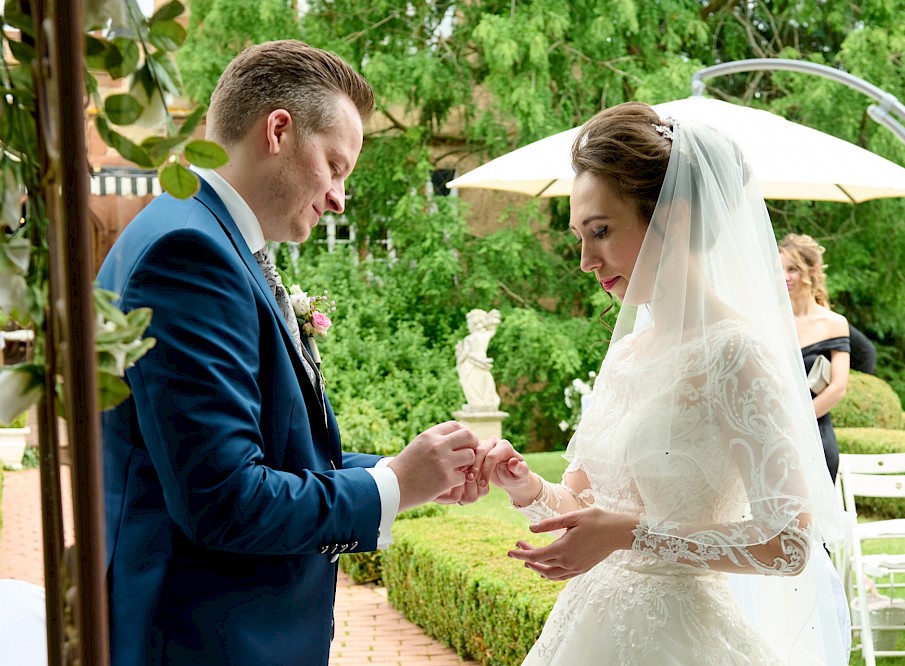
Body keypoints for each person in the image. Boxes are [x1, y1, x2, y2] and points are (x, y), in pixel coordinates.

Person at [96, 40, 482, 666]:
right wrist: (390, 486)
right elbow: (225, 499)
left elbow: (271, 448)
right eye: (335, 166)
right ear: (278, 130)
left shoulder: (203, 236)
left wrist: (416, 472)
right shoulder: (189, 257)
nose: (338, 198)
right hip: (200, 640)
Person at [476, 102, 848, 664]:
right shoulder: (627, 352)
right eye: (580, 235)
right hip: (587, 626)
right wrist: (525, 486)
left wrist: (630, 534)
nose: (585, 260)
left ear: (672, 217)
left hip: (678, 637)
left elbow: (788, 545)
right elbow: (584, 502)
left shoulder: (736, 352)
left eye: (600, 231)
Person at [779, 233, 850, 483]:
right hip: (776, 437)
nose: (785, 277)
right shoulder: (771, 322)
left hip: (816, 434)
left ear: (814, 270)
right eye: (780, 270)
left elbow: (838, 387)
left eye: (793, 269)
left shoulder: (834, 323)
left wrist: (798, 422)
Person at [455, 308, 503, 411]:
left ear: (473, 324)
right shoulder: (486, 335)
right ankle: (484, 403)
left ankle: (478, 404)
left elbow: (466, 353)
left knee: (474, 385)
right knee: (484, 383)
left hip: (471, 364)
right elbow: (493, 328)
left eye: (469, 324)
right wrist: (488, 319)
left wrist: (459, 357)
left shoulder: (470, 339)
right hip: (483, 361)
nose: (468, 327)